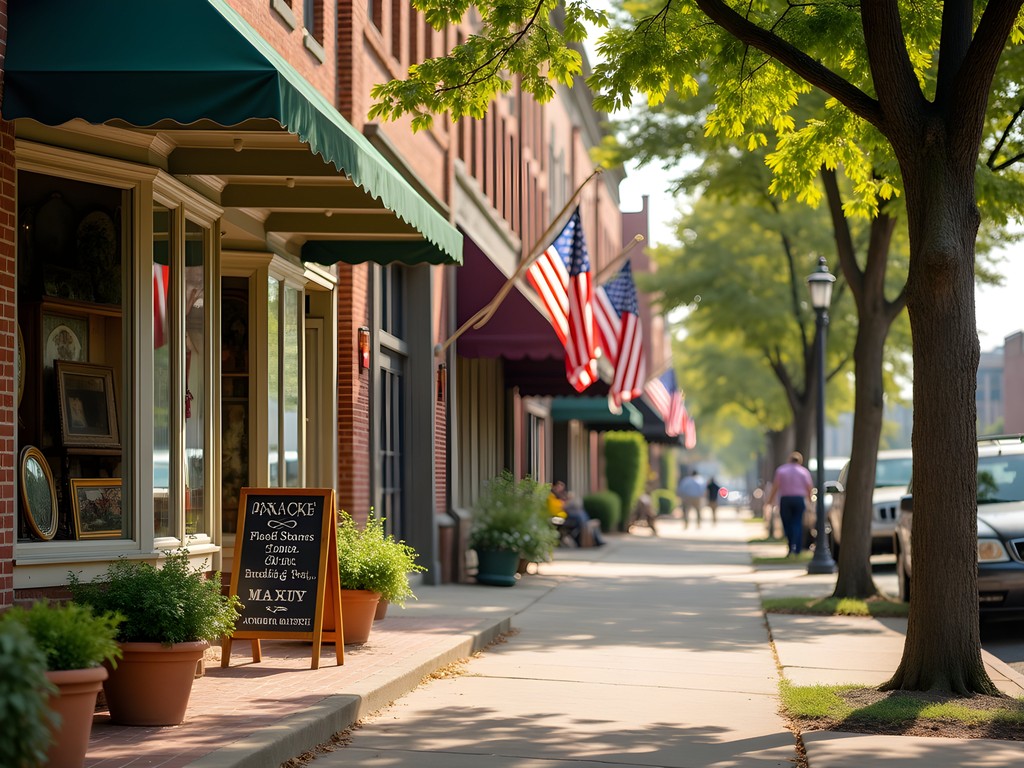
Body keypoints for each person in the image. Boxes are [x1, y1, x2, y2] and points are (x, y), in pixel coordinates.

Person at [766, 451, 814, 556]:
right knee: (797, 523)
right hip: (799, 500)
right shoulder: (804, 472)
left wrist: (769, 501)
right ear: (800, 461)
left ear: (789, 460)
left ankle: (791, 544)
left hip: (785, 500)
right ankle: (797, 548)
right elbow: (809, 487)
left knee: (787, 523)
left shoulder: (781, 470)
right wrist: (810, 501)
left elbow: (775, 487)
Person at [550, 481, 605, 547]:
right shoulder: (552, 497)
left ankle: (593, 537)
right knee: (580, 516)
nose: (560, 488)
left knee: (581, 513)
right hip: (560, 517)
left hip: (566, 516)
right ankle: (585, 526)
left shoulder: (561, 496)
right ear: (554, 487)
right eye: (559, 486)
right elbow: (558, 508)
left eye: (562, 486)